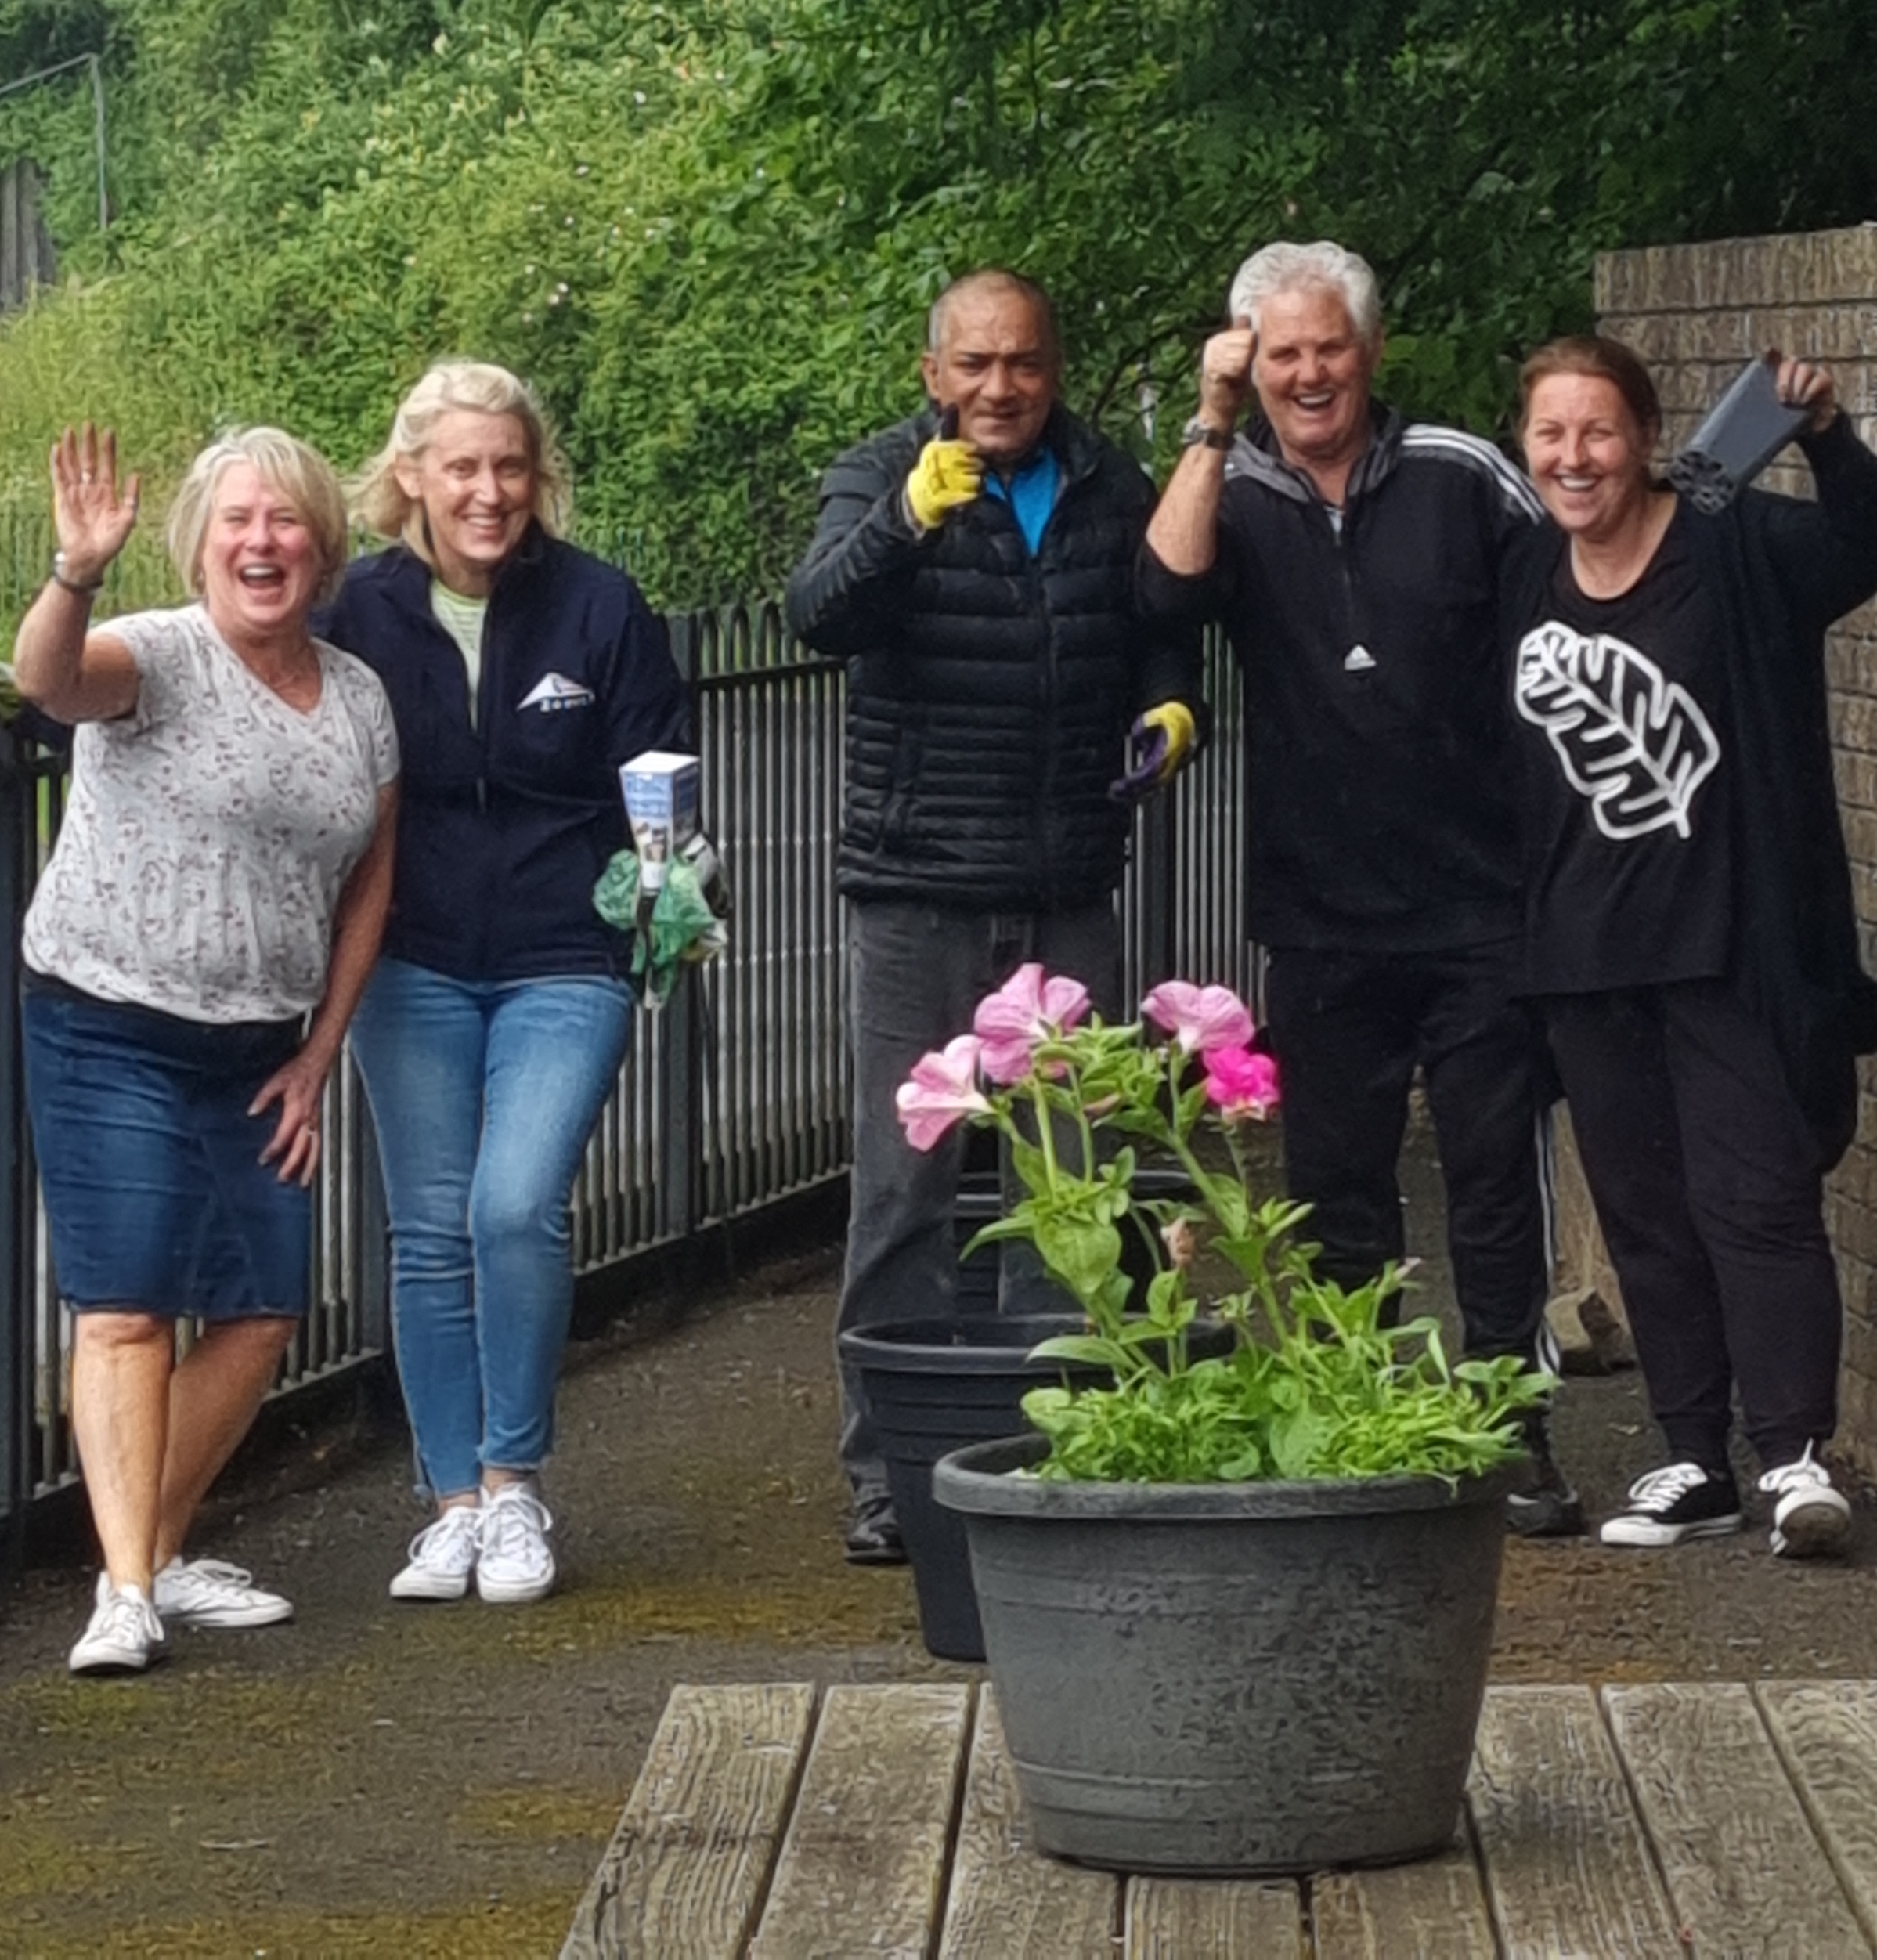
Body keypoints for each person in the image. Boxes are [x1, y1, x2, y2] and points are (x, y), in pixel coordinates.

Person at [1140, 239, 1579, 1536]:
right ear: (1246, 363)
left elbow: (1566, 624)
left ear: (1371, 350)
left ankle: (1514, 1435)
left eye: (1329, 346)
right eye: (1281, 354)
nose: (1309, 371)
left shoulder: (1462, 474)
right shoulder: (1233, 486)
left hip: (1483, 904)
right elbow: (1160, 590)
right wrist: (1211, 427)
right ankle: (1355, 1425)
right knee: (1340, 1195)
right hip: (1321, 915)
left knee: (1498, 1185)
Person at [785, 268, 1200, 1565]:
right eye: (972, 365)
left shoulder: (1108, 482)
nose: (998, 388)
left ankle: (1049, 1445)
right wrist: (905, 524)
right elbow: (816, 617)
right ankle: (889, 1473)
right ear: (932, 375)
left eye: (1020, 363)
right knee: (904, 1190)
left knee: (1069, 1181)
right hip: (917, 887)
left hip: (1069, 881)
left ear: (1055, 367)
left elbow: (1155, 623)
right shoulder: (879, 475)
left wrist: (1172, 701)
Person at [15, 424, 399, 1675]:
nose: (262, 542)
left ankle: (156, 1555)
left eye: (286, 521)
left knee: (259, 1309)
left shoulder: (357, 698)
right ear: (199, 544)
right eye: (237, 521)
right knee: (126, 1308)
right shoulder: (160, 656)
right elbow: (48, 686)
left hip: (258, 1049)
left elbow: (370, 878)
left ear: (322, 548)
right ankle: (122, 1595)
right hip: (107, 1019)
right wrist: (74, 576)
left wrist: (321, 1049)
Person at [325, 361, 689, 1606]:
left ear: (540, 477)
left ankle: (517, 1483)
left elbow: (663, 778)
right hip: (408, 956)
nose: (489, 492)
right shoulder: (354, 610)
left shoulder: (599, 605)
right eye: (463, 467)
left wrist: (667, 891)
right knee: (428, 1232)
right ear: (412, 474)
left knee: (512, 1206)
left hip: (562, 954)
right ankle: (452, 1508)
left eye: (511, 467)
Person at [1511, 335, 1877, 1553]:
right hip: (1582, 955)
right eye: (1553, 435)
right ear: (1529, 449)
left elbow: (1863, 544)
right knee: (1648, 1215)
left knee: (1756, 1200)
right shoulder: (1523, 579)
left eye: (1599, 432)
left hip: (1735, 943)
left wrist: (1826, 437)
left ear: (1649, 438)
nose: (1576, 458)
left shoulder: (1732, 550)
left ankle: (1791, 1459)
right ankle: (1691, 1460)